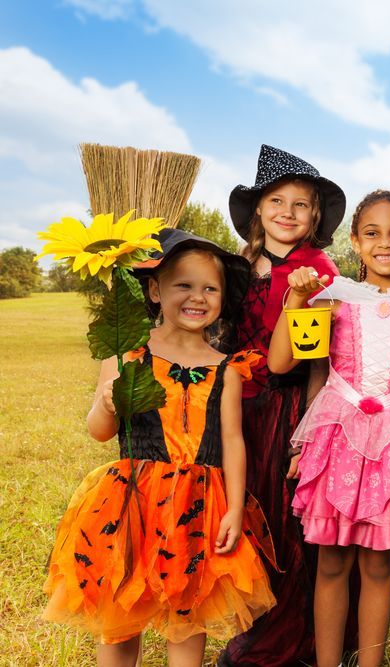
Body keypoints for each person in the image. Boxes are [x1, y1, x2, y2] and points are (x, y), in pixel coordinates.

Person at [43, 229, 276, 666]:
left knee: (188, 613)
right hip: (132, 503)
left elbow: (232, 441)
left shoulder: (226, 368)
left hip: (198, 508)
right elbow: (98, 431)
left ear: (223, 298)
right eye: (183, 285)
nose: (197, 297)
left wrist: (234, 508)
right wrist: (109, 402)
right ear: (154, 288)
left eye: (210, 288)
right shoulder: (128, 353)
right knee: (121, 609)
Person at [268, 190, 390, 667]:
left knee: (378, 564)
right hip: (337, 441)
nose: (384, 243)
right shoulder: (334, 296)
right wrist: (298, 298)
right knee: (331, 563)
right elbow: (283, 360)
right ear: (355, 240)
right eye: (372, 233)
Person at [220, 144, 345, 665]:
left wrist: (307, 430)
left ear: (314, 216)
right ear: (258, 210)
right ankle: (247, 619)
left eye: (300, 204)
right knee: (240, 515)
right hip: (235, 406)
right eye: (277, 201)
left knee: (283, 521)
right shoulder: (238, 264)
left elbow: (315, 360)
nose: (287, 213)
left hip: (286, 407)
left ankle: (288, 637)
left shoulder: (317, 271)